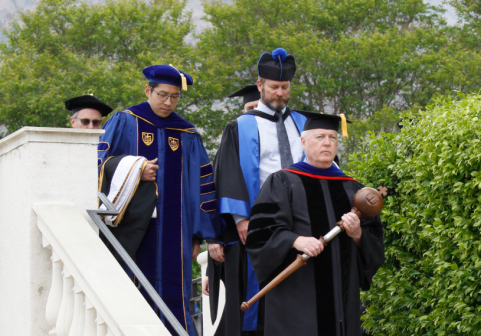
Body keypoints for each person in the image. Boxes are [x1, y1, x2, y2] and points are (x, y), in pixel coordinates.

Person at [97, 64, 222, 336]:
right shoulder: (125, 121)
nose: (168, 102)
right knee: (131, 288)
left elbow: (202, 187)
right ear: (147, 90)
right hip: (132, 228)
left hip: (176, 232)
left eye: (174, 97)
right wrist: (135, 169)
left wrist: (198, 236)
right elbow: (99, 164)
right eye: (162, 94)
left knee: (174, 292)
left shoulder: (187, 134)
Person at [245, 112, 385, 336]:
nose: (327, 143)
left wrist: (358, 234)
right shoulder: (282, 182)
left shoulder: (352, 188)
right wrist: (295, 240)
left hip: (342, 298)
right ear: (303, 141)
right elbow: (260, 233)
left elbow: (375, 245)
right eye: (320, 137)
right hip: (297, 296)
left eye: (332, 137)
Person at [204, 48, 307, 336]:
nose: (279, 94)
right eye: (274, 87)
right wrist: (241, 220)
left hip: (300, 220)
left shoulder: (304, 124)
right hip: (257, 221)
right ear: (260, 85)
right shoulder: (241, 126)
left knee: (296, 289)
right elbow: (228, 175)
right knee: (257, 295)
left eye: (285, 88)